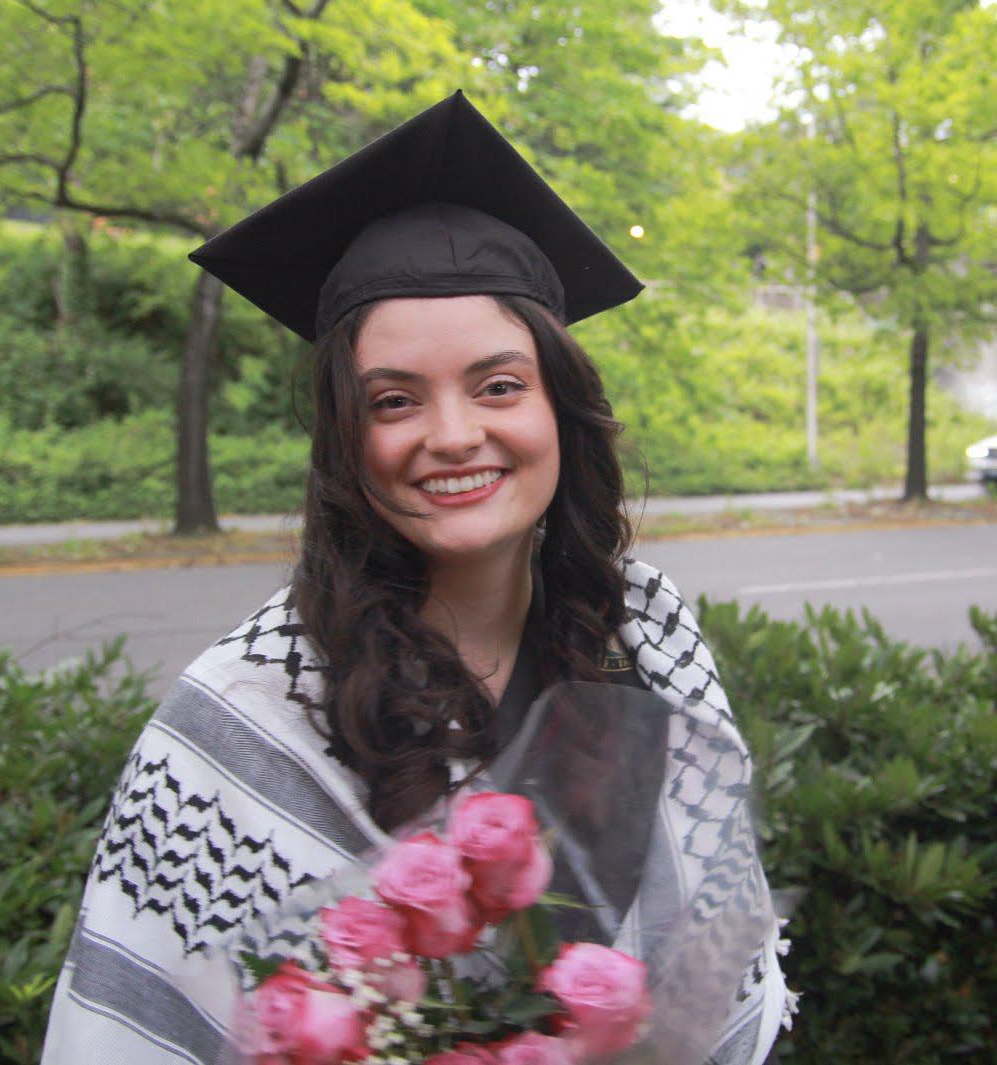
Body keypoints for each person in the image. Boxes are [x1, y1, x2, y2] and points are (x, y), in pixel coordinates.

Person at [42, 92, 790, 1064]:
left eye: (497, 385)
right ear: (346, 437)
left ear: (558, 404)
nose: (452, 435)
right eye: (395, 400)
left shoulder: (645, 629)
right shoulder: (243, 716)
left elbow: (720, 951)